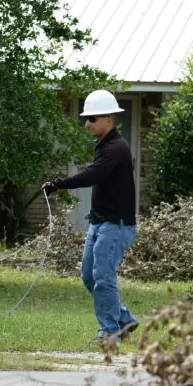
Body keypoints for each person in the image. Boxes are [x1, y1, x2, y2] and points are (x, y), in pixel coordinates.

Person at [43, 90, 139, 344]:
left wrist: (59, 184)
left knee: (103, 277)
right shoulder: (106, 145)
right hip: (99, 223)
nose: (87, 124)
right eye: (87, 119)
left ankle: (109, 332)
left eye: (92, 119)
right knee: (89, 276)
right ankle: (124, 319)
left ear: (108, 119)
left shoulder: (116, 148)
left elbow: (92, 175)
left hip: (115, 226)